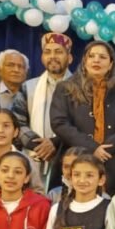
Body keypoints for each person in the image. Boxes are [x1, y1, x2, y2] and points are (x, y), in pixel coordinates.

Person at [50, 41, 115, 197]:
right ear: (84, 61)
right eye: (92, 56)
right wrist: (92, 147)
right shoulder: (65, 87)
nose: (96, 60)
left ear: (110, 64)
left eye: (102, 57)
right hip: (76, 159)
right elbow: (59, 123)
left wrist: (106, 149)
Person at [13, 33, 74, 188]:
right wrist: (40, 147)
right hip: (33, 158)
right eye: (48, 52)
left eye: (58, 52)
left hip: (69, 158)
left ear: (69, 58)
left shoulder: (82, 89)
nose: (52, 56)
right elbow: (17, 123)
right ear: (42, 58)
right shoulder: (28, 87)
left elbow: (81, 125)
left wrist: (55, 143)